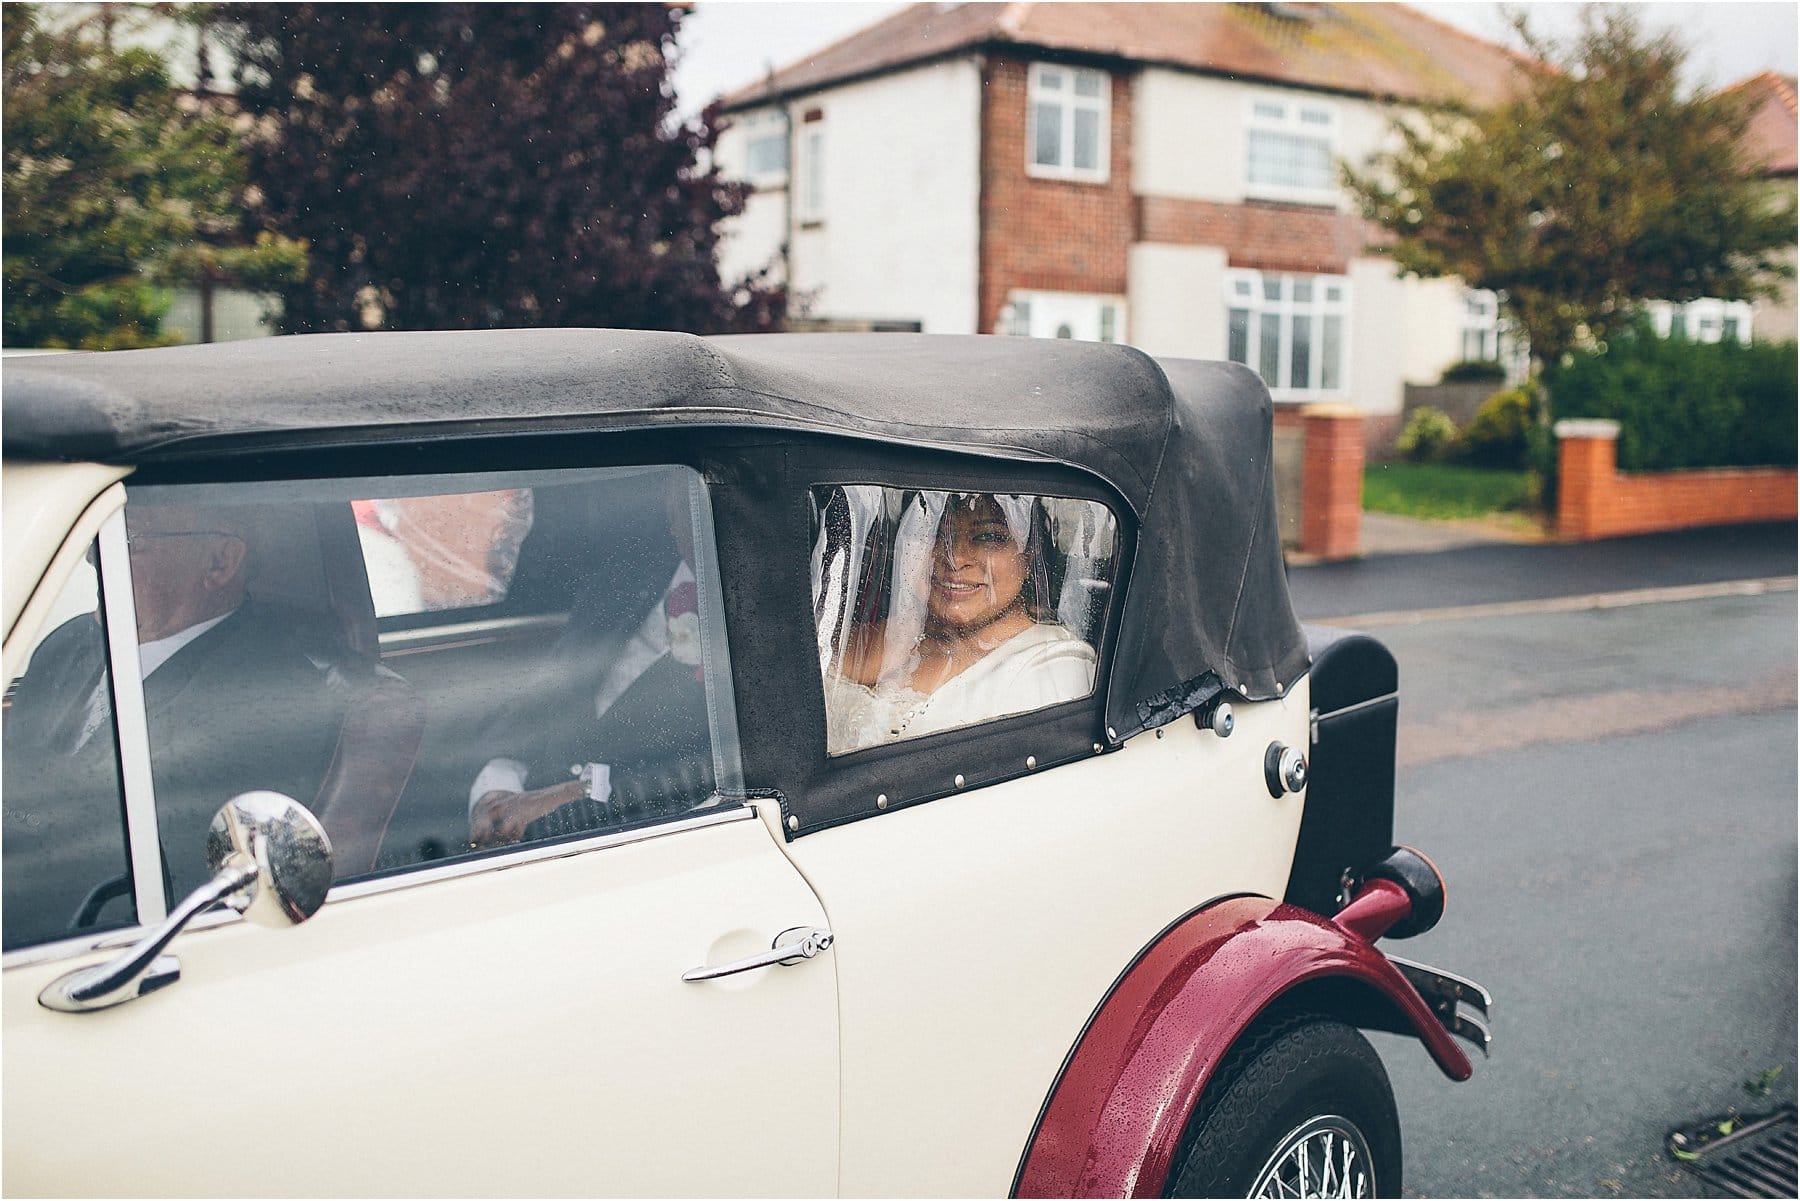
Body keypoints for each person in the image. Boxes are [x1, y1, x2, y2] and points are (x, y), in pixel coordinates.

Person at [3, 504, 348, 931]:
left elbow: (163, 874)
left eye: (128, 542)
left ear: (221, 561)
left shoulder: (268, 690)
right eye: (98, 539)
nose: (94, 558)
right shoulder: (66, 645)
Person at [467, 472, 714, 849]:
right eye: (681, 501)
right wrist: (496, 789)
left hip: (636, 838)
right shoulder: (622, 579)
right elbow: (540, 702)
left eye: (700, 499)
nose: (691, 518)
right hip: (534, 815)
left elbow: (693, 778)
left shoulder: (760, 623)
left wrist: (567, 795)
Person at [820, 492, 1096, 754]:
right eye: (935, 533)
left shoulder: (1053, 670)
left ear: (1029, 553)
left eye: (988, 537)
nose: (955, 558)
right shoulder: (886, 634)